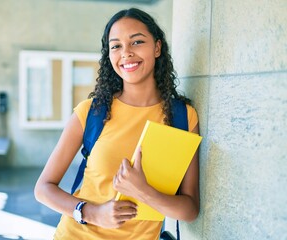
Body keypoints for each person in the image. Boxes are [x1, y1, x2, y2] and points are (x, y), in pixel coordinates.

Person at [34, 7, 200, 240]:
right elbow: (43, 188)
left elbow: (190, 209)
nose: (126, 53)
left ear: (157, 47)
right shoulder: (91, 112)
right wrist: (91, 212)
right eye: (116, 46)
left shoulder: (183, 118)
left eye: (137, 42)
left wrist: (144, 192)